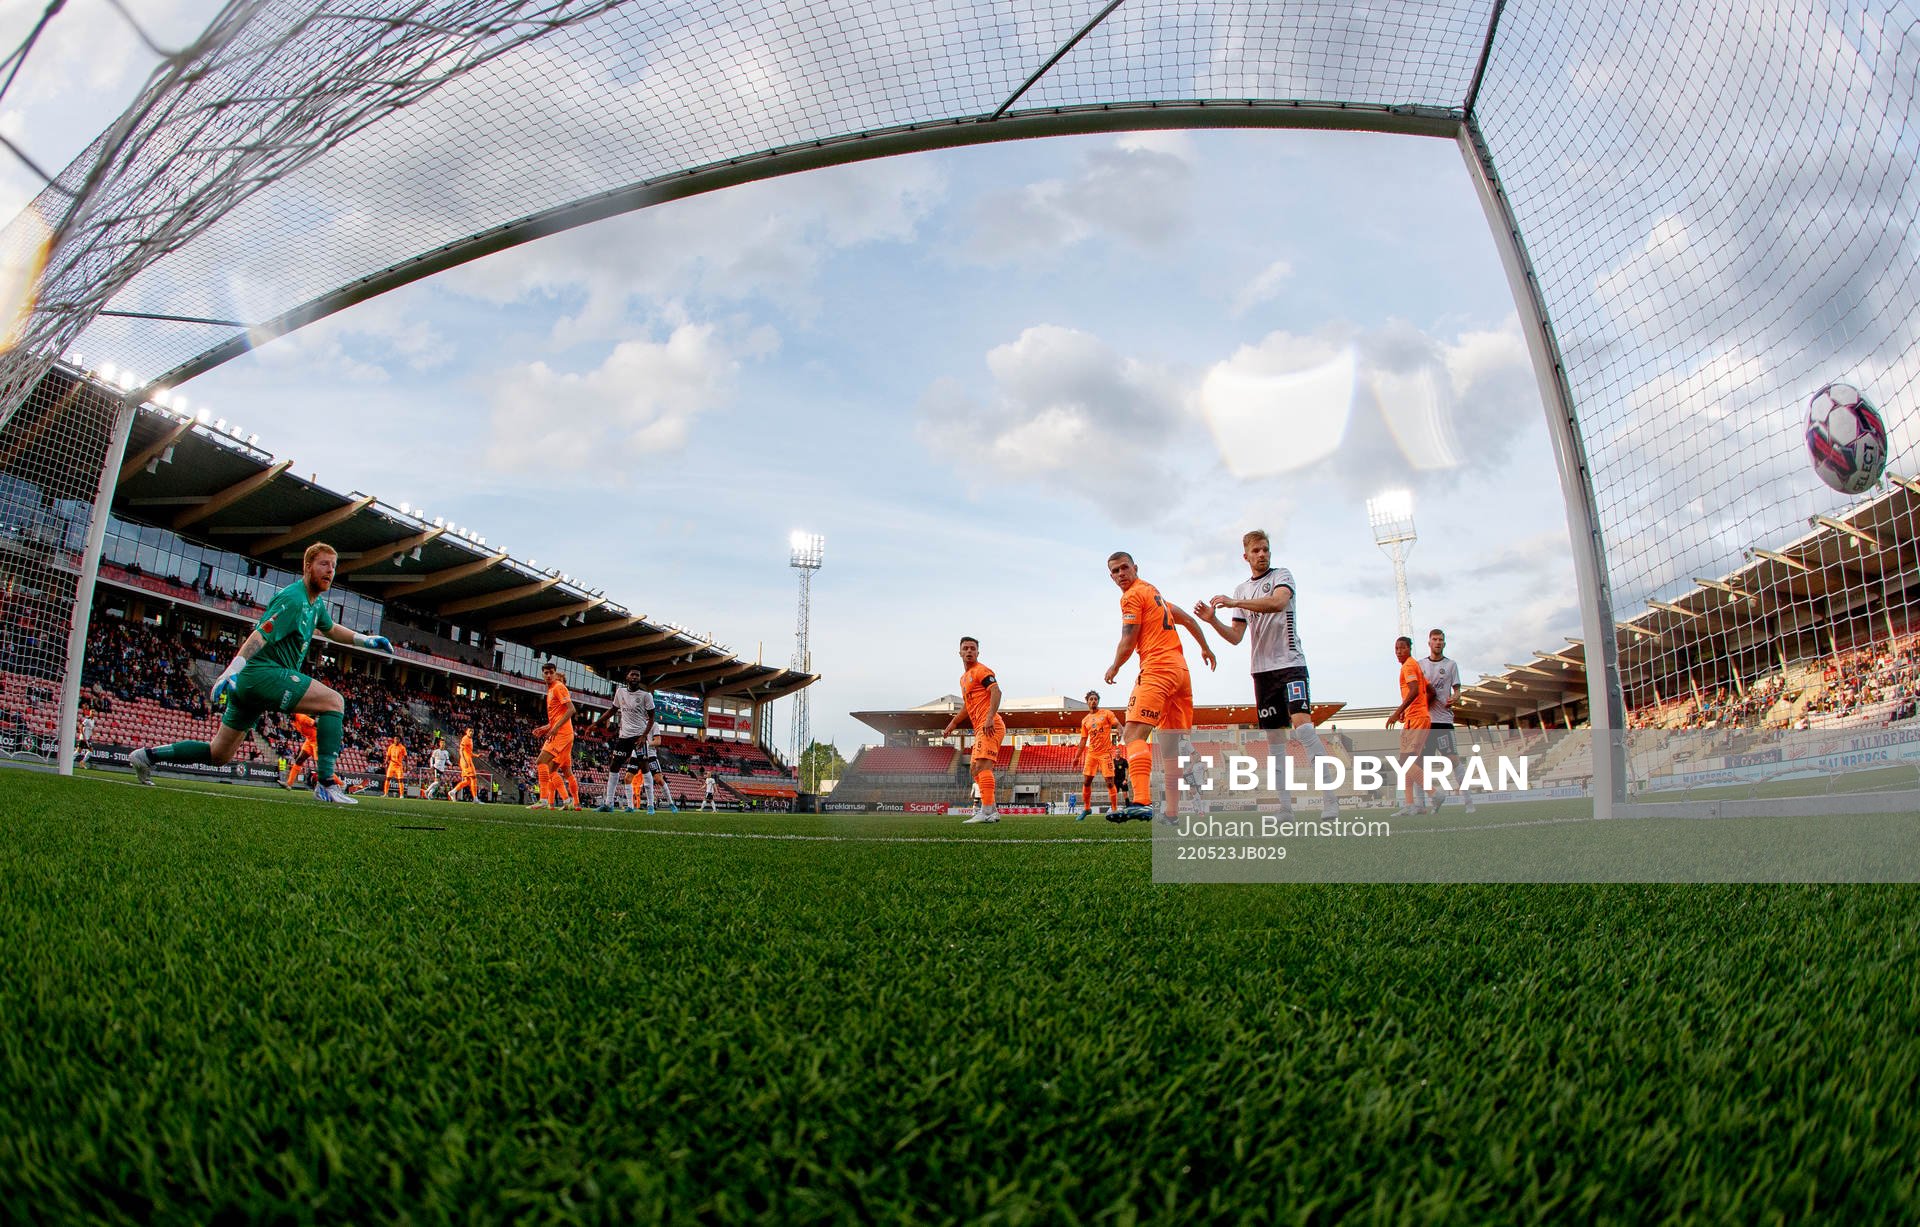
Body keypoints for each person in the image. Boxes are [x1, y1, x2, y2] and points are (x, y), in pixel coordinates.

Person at [130, 542, 391, 803]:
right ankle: (325, 783)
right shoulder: (293, 599)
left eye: (334, 567)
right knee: (334, 701)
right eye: (324, 564)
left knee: (219, 754)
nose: (330, 571)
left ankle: (146, 756)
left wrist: (366, 640)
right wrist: (233, 668)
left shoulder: (315, 604)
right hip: (262, 674)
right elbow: (262, 633)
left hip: (252, 686)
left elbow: (331, 629)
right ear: (308, 566)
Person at [1193, 529, 1339, 821]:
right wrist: (1213, 621)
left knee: (1304, 728)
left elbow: (1278, 603)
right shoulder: (1242, 589)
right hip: (1262, 672)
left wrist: (1235, 604)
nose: (1262, 555)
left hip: (1290, 664)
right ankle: (1286, 808)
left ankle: (1330, 801)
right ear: (1245, 556)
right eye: (1256, 551)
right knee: (1275, 742)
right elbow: (1235, 637)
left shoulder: (1281, 576)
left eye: (1265, 549)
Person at [1105, 551, 1215, 822]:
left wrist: (1114, 666)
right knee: (1169, 750)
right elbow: (1189, 619)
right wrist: (1205, 647)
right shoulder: (1156, 597)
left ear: (1135, 568)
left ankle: (1142, 801)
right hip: (1181, 673)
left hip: (1158, 670)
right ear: (1111, 576)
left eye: (1124, 568)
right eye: (1115, 571)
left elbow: (1128, 640)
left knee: (1132, 736)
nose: (1121, 574)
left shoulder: (1131, 596)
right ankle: (1172, 813)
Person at [940, 636, 1005, 823]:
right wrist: (953, 723)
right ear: (959, 652)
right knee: (975, 769)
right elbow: (968, 707)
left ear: (977, 652)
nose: (969, 651)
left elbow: (996, 691)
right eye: (965, 648)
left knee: (983, 765)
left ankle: (985, 812)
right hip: (979, 729)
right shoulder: (963, 679)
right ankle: (991, 810)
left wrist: (990, 717)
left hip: (990, 726)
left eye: (972, 648)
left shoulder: (981, 671)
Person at [1417, 627, 1474, 813]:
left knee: (1454, 760)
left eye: (1441, 639)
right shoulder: (1420, 665)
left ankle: (1469, 803)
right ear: (1429, 642)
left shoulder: (1451, 665)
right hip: (1425, 722)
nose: (1438, 642)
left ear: (1444, 643)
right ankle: (1423, 805)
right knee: (1420, 765)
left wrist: (1456, 697)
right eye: (1435, 639)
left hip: (1443, 721)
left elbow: (1457, 689)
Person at [595, 667, 665, 812]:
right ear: (627, 677)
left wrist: (644, 735)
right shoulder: (620, 692)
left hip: (638, 737)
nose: (635, 677)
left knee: (645, 769)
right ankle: (608, 804)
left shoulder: (646, 696)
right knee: (614, 766)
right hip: (624, 737)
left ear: (640, 678)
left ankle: (651, 805)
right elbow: (613, 710)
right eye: (632, 675)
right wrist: (596, 723)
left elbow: (652, 718)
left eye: (637, 675)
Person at [1385, 635, 1432, 816]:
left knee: (1404, 762)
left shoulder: (1409, 666)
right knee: (1408, 762)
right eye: (1396, 649)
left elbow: (1413, 690)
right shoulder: (1415, 666)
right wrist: (1420, 705)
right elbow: (1430, 691)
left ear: (1409, 648)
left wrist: (1398, 712)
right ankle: (1410, 804)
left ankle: (1434, 793)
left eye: (1401, 648)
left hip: (1416, 719)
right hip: (1418, 716)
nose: (1398, 652)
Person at [529, 661, 581, 810]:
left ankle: (546, 799)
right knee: (554, 770)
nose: (549, 675)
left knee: (542, 763)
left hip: (562, 734)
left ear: (555, 673)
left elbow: (571, 710)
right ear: (542, 674)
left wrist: (555, 728)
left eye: (551, 672)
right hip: (562, 733)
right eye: (546, 673)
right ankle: (567, 801)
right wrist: (546, 728)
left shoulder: (558, 687)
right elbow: (557, 716)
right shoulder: (552, 689)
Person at [1077, 689, 1120, 820]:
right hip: (1092, 754)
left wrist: (1120, 730)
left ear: (1098, 701)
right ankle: (1086, 809)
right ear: (1087, 702)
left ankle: (1114, 810)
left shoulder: (1106, 713)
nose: (1093, 701)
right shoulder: (1085, 720)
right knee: (1086, 781)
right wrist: (1077, 756)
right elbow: (1083, 740)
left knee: (1109, 782)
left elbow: (1117, 723)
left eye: (1095, 699)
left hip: (1105, 754)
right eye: (1091, 699)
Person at [283, 713, 318, 789]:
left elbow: (316, 724)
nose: (289, 714)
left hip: (317, 741)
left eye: (291, 712)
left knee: (322, 765)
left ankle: (340, 784)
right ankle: (289, 784)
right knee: (299, 760)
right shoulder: (293, 722)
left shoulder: (302, 717)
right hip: (309, 741)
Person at [449, 727, 481, 802]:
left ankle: (453, 792)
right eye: (470, 731)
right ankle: (475, 798)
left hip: (467, 760)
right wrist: (464, 760)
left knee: (467, 781)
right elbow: (461, 750)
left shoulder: (470, 739)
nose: (471, 732)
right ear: (466, 731)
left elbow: (469, 753)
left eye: (472, 731)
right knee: (474, 778)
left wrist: (476, 755)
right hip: (466, 761)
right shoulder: (465, 738)